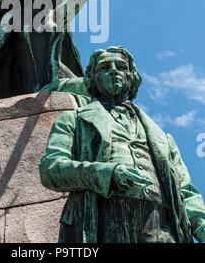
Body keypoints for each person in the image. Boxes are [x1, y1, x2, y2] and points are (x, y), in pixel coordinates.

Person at [39, 46, 205, 243]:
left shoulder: (163, 138)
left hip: (162, 224)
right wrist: (107, 174)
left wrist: (201, 226)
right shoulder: (73, 120)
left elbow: (185, 190)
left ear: (132, 75)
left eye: (121, 66)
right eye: (104, 67)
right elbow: (50, 169)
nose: (114, 71)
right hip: (103, 218)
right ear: (91, 78)